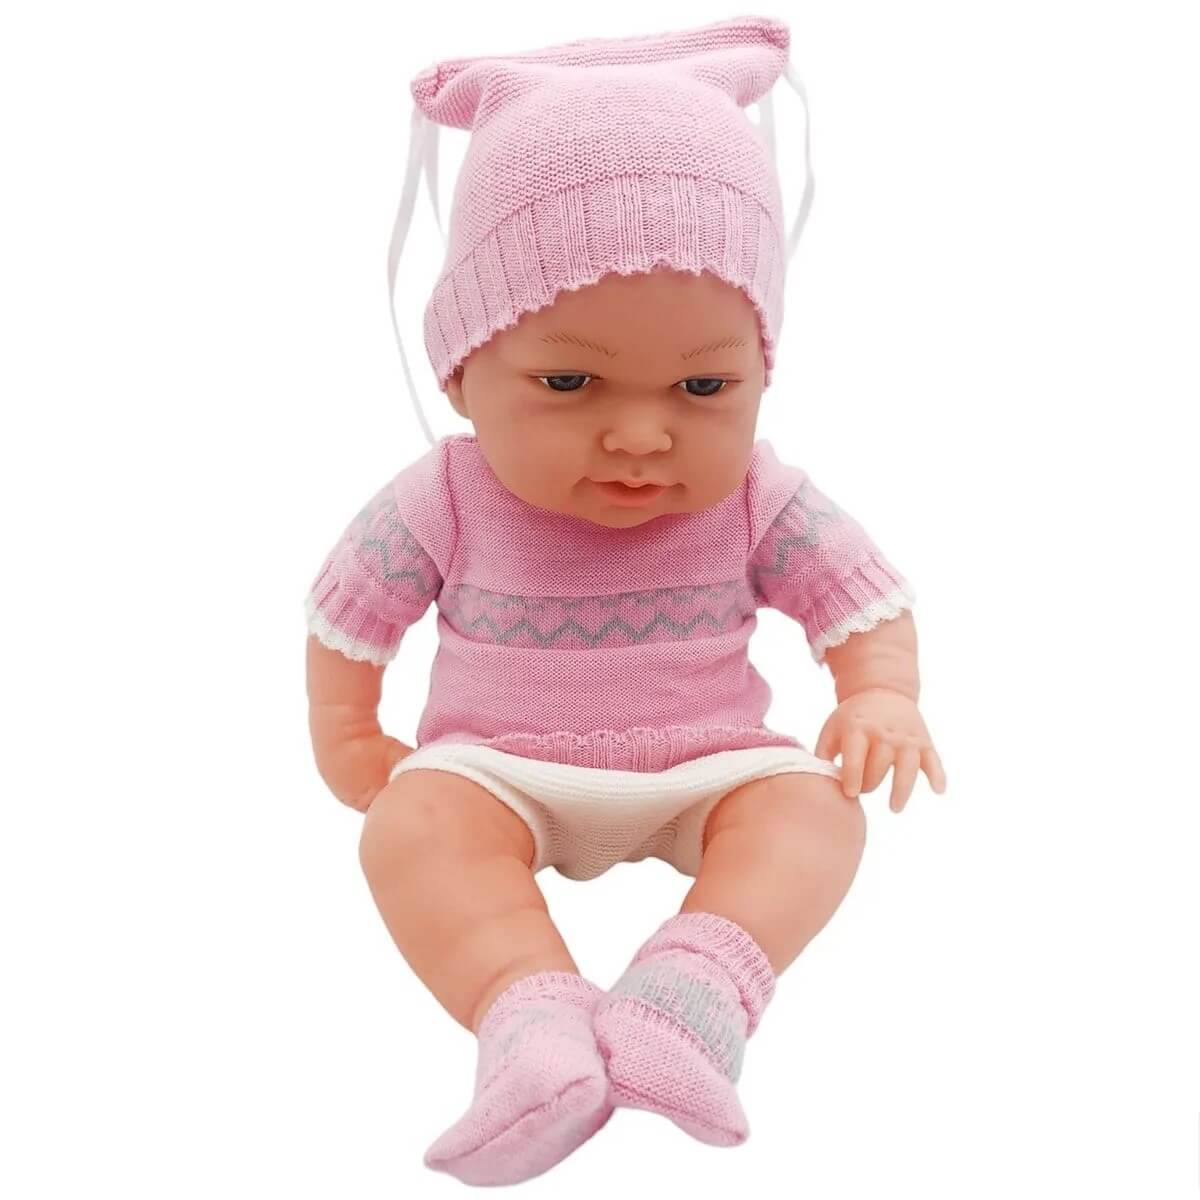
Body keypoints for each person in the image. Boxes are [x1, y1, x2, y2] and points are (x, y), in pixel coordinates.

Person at [304, 14, 946, 1187]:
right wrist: (348, 731)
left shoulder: (755, 495)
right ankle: (532, 1024)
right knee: (411, 827)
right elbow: (350, 610)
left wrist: (881, 694)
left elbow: (857, 593)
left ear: (760, 371)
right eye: (569, 380)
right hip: (496, 766)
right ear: (462, 371)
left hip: (710, 762)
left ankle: (689, 996)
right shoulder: (446, 494)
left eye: (704, 386)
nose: (643, 434)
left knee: (814, 813)